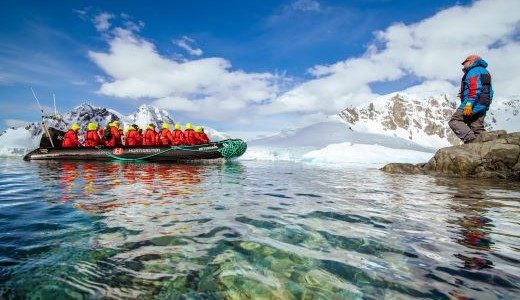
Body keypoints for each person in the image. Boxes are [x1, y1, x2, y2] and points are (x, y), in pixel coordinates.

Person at [448, 55, 493, 144]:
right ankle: (485, 146)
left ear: (472, 61)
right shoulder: (484, 71)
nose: (463, 64)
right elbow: (490, 91)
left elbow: (475, 89)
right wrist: (486, 105)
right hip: (483, 103)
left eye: (465, 62)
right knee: (477, 127)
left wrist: (469, 104)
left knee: (455, 121)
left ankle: (471, 142)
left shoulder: (473, 71)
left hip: (473, 103)